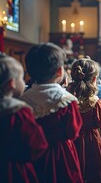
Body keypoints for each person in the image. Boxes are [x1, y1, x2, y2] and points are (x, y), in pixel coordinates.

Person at [20, 42, 83, 183]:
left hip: (31, 154)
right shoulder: (67, 100)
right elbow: (73, 132)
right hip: (61, 154)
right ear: (60, 72)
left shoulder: (23, 100)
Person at [67, 58, 101, 182]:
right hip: (93, 140)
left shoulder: (68, 100)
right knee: (95, 167)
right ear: (95, 79)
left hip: (73, 140)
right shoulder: (95, 101)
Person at [0, 54, 48, 183]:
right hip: (14, 169)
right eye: (22, 78)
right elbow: (37, 145)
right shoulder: (19, 111)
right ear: (12, 84)